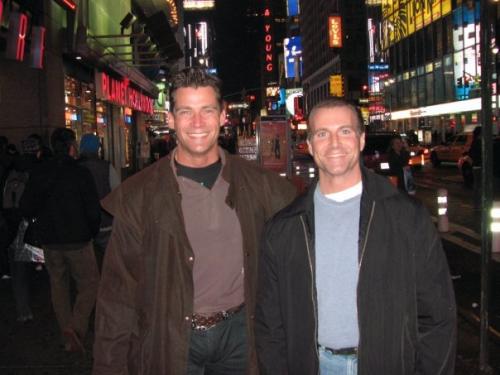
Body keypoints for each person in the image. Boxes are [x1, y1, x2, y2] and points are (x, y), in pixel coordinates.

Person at [92, 68, 297, 375]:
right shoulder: (140, 195)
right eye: (186, 112)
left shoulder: (261, 186)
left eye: (207, 111)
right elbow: (118, 294)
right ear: (171, 119)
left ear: (222, 116)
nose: (198, 123)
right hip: (171, 335)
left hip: (242, 334)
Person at [255, 98, 456, 375]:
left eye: (345, 131)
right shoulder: (284, 227)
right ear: (310, 145)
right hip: (313, 365)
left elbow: (437, 316)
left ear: (361, 140)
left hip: (388, 364)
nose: (334, 143)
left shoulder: (407, 218)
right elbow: (270, 325)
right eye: (322, 133)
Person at [20, 127, 101, 353]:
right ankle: (76, 328)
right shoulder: (80, 173)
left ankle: (67, 332)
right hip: (79, 240)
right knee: (90, 283)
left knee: (58, 285)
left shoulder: (40, 172)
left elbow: (26, 205)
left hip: (51, 241)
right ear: (71, 146)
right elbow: (93, 210)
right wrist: (91, 231)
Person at [79, 134, 120, 271]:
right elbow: (117, 192)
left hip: (82, 223)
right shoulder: (106, 167)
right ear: (97, 148)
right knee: (108, 260)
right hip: (105, 220)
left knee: (87, 266)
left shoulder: (76, 167)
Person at [468, 126, 482, 208]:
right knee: (478, 186)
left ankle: (477, 204)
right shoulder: (478, 142)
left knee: (477, 186)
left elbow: (470, 153)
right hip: (479, 166)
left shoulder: (475, 142)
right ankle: (478, 204)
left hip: (476, 166)